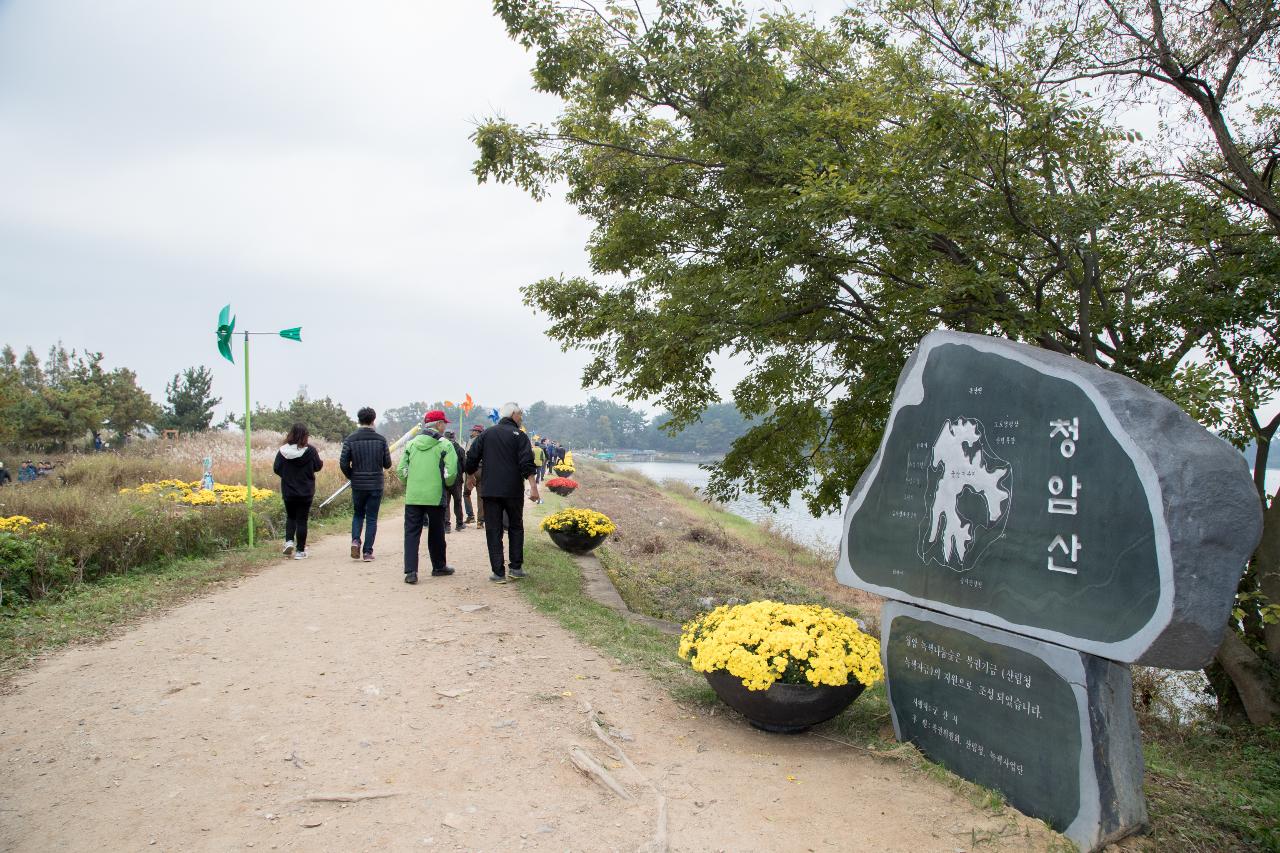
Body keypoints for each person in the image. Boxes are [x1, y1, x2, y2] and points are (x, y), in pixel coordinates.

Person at [464, 402, 539, 584]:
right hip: (513, 490)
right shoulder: (520, 436)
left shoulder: (486, 434)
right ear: (513, 414)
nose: (521, 418)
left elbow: (471, 457)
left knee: (493, 529)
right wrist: (533, 486)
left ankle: (498, 573)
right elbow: (526, 462)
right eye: (520, 414)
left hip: (490, 490)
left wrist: (471, 475)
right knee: (515, 526)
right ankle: (515, 568)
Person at [397, 410, 458, 584]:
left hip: (413, 496)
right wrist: (446, 483)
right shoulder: (445, 445)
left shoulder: (411, 444)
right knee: (436, 531)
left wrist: (410, 482)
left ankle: (411, 572)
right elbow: (451, 472)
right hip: (435, 495)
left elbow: (401, 470)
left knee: (411, 533)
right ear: (438, 424)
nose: (445, 425)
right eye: (444, 423)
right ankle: (438, 566)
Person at [340, 407, 392, 562]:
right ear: (373, 420)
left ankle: (355, 540)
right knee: (371, 518)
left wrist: (352, 476)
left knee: (358, 514)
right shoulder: (381, 440)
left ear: (359, 420)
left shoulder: (350, 439)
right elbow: (387, 464)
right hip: (376, 484)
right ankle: (368, 552)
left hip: (358, 484)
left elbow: (343, 463)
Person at [273, 422, 323, 560]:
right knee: (302, 520)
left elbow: (276, 468)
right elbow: (318, 466)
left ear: (291, 434)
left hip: (288, 490)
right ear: (305, 436)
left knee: (291, 517)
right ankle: (300, 551)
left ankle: (289, 542)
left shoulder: (283, 451)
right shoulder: (311, 451)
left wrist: (288, 475)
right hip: (306, 491)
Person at [442, 429, 468, 532]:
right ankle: (459, 524)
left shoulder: (442, 448)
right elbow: (464, 466)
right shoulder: (460, 449)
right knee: (458, 502)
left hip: (445, 478)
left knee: (446, 502)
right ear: (454, 437)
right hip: (457, 480)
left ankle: (446, 526)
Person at [463, 423, 484, 528]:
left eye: (474, 431)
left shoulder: (471, 442)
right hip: (482, 470)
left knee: (466, 493)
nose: (472, 432)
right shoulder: (486, 441)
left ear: (477, 432)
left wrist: (467, 472)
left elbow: (467, 457)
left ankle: (470, 515)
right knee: (481, 497)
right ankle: (480, 521)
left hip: (472, 470)